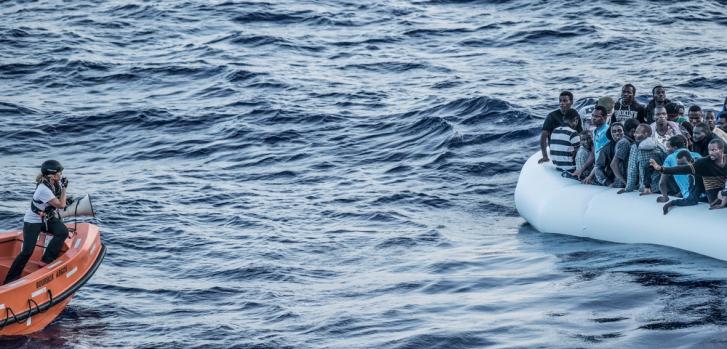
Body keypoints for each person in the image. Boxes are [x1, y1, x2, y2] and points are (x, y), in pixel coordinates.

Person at [4, 160, 70, 285]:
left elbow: (58, 200)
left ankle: (46, 260)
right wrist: (65, 188)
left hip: (46, 218)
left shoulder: (54, 183)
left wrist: (63, 189)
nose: (61, 174)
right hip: (32, 221)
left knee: (62, 232)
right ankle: (11, 279)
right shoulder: (43, 189)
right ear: (52, 175)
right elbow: (61, 204)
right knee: (27, 251)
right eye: (59, 173)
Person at [652, 138, 727, 205]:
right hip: (709, 199)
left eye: (713, 150)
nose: (710, 153)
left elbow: (663, 182)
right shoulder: (700, 160)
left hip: (705, 197)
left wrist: (665, 197)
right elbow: (683, 170)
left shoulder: (671, 158)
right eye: (709, 150)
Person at [618, 124, 665, 195]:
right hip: (661, 187)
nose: (634, 134)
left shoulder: (635, 147)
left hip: (645, 189)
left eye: (637, 132)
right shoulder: (659, 146)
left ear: (646, 134)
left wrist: (628, 188)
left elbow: (632, 170)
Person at [539, 91, 583, 164]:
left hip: (572, 145)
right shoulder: (551, 116)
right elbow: (543, 136)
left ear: (571, 102)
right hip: (558, 147)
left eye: (565, 101)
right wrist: (545, 156)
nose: (561, 103)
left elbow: (580, 132)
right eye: (560, 101)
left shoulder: (575, 114)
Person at [655, 135, 699, 203]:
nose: (666, 149)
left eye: (668, 147)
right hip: (707, 195)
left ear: (675, 147)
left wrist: (665, 197)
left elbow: (662, 183)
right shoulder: (697, 155)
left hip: (689, 197)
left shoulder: (670, 158)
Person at [611, 118, 640, 187]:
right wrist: (625, 183)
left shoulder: (629, 142)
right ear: (632, 131)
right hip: (622, 185)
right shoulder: (625, 143)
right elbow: (613, 164)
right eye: (637, 131)